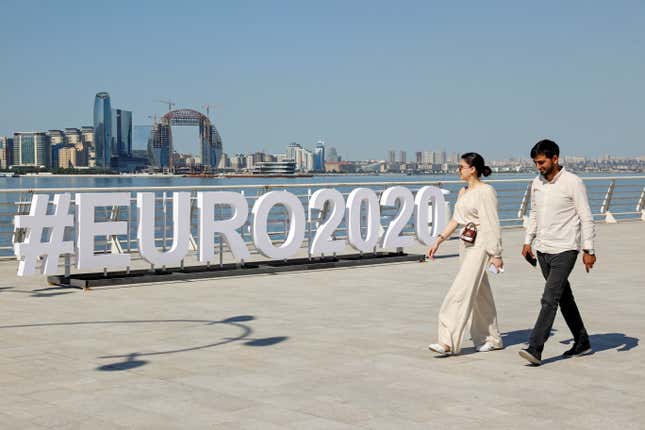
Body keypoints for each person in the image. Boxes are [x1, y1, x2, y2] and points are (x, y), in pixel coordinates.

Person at [519, 139, 596, 366]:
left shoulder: (573, 182)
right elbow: (534, 213)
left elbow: (586, 217)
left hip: (566, 249)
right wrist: (527, 241)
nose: (539, 166)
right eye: (536, 163)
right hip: (543, 248)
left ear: (555, 158)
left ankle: (535, 348)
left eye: (542, 162)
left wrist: (589, 249)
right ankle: (582, 341)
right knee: (563, 297)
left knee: (549, 298)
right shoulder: (537, 183)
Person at [427, 152, 504, 356]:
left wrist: (495, 253)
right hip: (466, 244)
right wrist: (439, 239)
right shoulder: (463, 192)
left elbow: (491, 224)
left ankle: (447, 341)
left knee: (459, 292)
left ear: (473, 169)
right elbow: (456, 219)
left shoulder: (486, 191)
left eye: (461, 167)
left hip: (480, 246)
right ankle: (491, 338)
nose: (458, 170)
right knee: (480, 294)